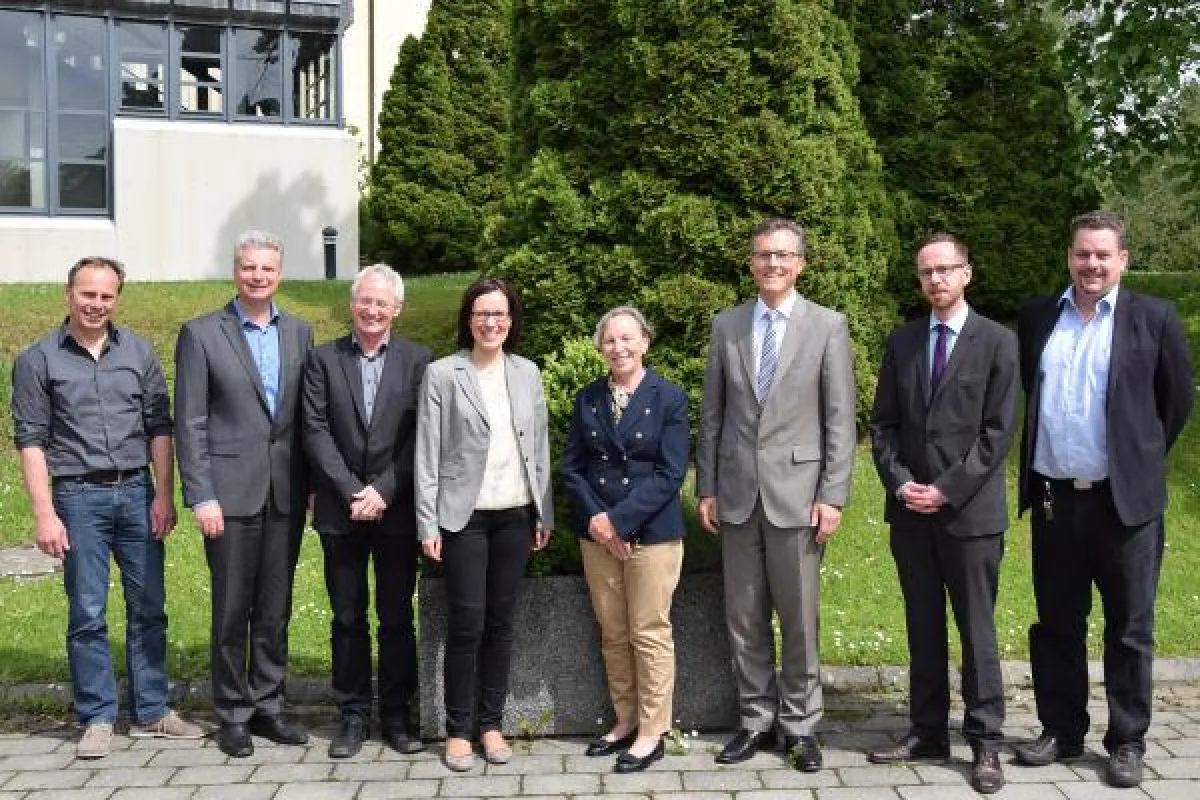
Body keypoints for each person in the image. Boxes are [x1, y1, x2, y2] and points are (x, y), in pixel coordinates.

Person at [1013, 211, 1194, 788]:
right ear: (1068, 256)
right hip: (1054, 500)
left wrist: (1135, 457)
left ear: (1123, 261)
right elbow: (1029, 387)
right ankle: (1061, 731)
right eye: (1081, 254)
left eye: (1102, 255)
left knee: (1129, 627)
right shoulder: (1039, 316)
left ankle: (1127, 741)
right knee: (1057, 622)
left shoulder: (1154, 317)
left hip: (1125, 505)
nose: (1091, 264)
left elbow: (1177, 402)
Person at [11, 257, 203, 759]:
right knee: (88, 611)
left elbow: (160, 428)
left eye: (106, 296)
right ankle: (96, 716)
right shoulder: (38, 360)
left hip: (138, 495)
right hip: (78, 498)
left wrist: (163, 494)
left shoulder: (138, 352)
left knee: (149, 608)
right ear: (69, 294)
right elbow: (31, 441)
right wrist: (44, 513)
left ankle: (153, 711)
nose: (97, 304)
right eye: (87, 294)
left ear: (117, 298)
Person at [695, 217, 857, 771]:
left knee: (799, 617)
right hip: (738, 494)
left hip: (799, 495)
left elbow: (840, 419)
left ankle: (801, 725)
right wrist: (708, 485)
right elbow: (712, 414)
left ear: (801, 263)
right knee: (743, 615)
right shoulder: (728, 326)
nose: (773, 264)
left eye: (784, 255)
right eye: (764, 255)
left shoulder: (828, 326)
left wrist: (833, 495)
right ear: (751, 263)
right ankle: (755, 719)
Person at [866, 234, 1018, 794]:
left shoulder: (998, 342)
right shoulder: (903, 342)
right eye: (926, 272)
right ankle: (927, 730)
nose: (935, 279)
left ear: (967, 274)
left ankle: (986, 742)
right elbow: (882, 426)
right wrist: (904, 484)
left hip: (970, 515)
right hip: (910, 513)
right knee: (922, 624)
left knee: (976, 630)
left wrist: (947, 489)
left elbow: (998, 432)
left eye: (946, 269)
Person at [174, 230, 313, 758]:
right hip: (228, 497)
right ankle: (232, 712)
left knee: (275, 609)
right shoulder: (202, 333)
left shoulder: (300, 333)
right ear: (236, 271)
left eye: (268, 269)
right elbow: (189, 420)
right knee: (232, 609)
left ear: (280, 274)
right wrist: (200, 494)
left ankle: (268, 706)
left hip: (285, 493)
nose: (259, 276)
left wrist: (314, 488)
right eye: (249, 267)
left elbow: (306, 420)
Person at [414, 277, 553, 772]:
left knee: (501, 622)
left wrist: (543, 512)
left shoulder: (527, 372)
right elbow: (427, 453)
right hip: (463, 518)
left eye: (500, 313)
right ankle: (457, 730)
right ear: (468, 319)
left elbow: (538, 449)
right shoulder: (443, 374)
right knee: (467, 623)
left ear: (511, 320)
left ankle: (490, 725)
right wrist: (426, 523)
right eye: (481, 313)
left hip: (515, 514)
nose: (491, 322)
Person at [302, 265, 431, 758]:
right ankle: (353, 714)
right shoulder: (322, 360)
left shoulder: (419, 361)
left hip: (395, 512)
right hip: (341, 510)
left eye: (383, 303)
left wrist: (384, 490)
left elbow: (422, 435)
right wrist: (353, 490)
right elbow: (314, 429)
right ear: (352, 304)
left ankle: (397, 715)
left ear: (397, 308)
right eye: (365, 301)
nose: (373, 310)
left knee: (396, 617)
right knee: (347, 616)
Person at [561, 307, 690, 773]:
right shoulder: (588, 397)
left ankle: (654, 731)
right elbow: (572, 468)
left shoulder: (669, 397)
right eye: (610, 340)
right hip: (597, 535)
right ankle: (625, 719)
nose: (619, 347)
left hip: (652, 535)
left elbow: (670, 472)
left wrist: (619, 521)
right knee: (614, 633)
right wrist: (598, 518)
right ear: (601, 348)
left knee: (649, 632)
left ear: (645, 343)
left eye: (627, 339)